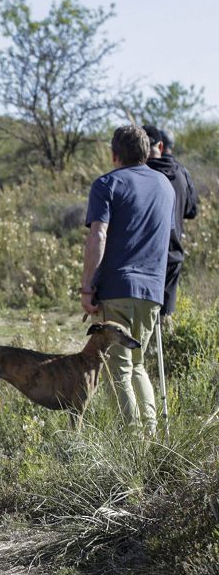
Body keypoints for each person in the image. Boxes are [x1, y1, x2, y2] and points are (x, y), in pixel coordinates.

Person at [81, 125, 173, 433]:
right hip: (152, 290)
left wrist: (87, 286)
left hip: (117, 287)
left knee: (117, 369)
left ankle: (132, 444)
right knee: (137, 365)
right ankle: (151, 438)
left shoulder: (107, 183)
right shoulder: (165, 186)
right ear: (148, 151)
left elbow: (98, 235)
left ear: (114, 153)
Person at [143, 124, 198, 318]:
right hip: (173, 251)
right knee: (166, 315)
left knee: (144, 317)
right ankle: (168, 346)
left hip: (144, 255)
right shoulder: (182, 173)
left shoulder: (140, 173)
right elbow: (192, 211)